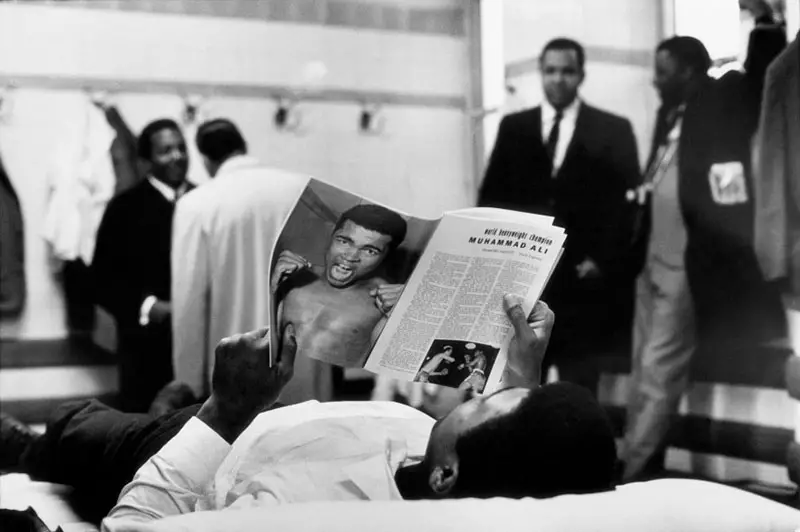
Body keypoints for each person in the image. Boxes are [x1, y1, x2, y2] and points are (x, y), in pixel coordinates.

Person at [0, 296, 617, 528]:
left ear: (447, 476)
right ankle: (167, 400)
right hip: (252, 416)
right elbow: (519, 456)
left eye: (484, 404)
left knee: (76, 426)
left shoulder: (304, 518)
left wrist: (221, 411)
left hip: (195, 446)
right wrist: (525, 376)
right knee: (149, 406)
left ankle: (25, 443)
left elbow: (130, 529)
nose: (477, 395)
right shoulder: (458, 464)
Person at [621, 0, 787, 482]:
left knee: (658, 371)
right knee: (640, 369)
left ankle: (634, 469)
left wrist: (765, 20)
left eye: (665, 73)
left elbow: (763, 70)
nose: (657, 81)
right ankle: (633, 452)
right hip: (649, 260)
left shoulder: (725, 94)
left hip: (687, 264)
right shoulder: (667, 114)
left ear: (693, 71)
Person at [478, 37, 641, 397]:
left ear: (581, 74)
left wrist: (602, 260)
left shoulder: (613, 130)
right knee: (515, 386)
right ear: (541, 73)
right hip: (526, 283)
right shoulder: (514, 128)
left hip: (583, 286)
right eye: (551, 71)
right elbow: (491, 199)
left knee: (578, 388)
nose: (558, 79)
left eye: (567, 71)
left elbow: (627, 209)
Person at [166, 118, 309, 406]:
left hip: (236, 368)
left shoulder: (197, 205)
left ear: (205, 159)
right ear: (243, 146)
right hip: (303, 361)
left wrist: (188, 381)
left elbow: (189, 301)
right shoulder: (303, 190)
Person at [91, 118, 193, 413]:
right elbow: (101, 279)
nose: (177, 156)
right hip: (144, 349)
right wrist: (149, 306)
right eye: (166, 150)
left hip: (201, 343)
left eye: (181, 148)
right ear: (146, 160)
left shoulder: (207, 202)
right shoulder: (124, 208)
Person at [271, 205, 407, 369]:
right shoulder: (293, 278)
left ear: (386, 257)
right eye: (344, 241)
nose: (350, 256)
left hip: (324, 391)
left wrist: (403, 316)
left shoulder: (385, 301)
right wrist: (269, 286)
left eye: (370, 251)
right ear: (332, 236)